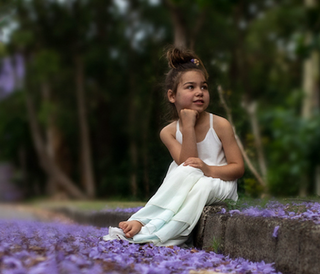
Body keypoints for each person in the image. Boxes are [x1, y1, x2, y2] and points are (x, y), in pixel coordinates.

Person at [104, 46, 245, 246]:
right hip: (186, 179)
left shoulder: (220, 125)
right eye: (190, 87)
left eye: (203, 87)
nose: (199, 92)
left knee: (200, 181)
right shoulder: (168, 132)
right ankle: (146, 223)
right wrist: (188, 125)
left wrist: (208, 169)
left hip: (219, 183)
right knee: (188, 170)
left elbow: (238, 168)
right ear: (172, 96)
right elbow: (186, 163)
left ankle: (153, 230)